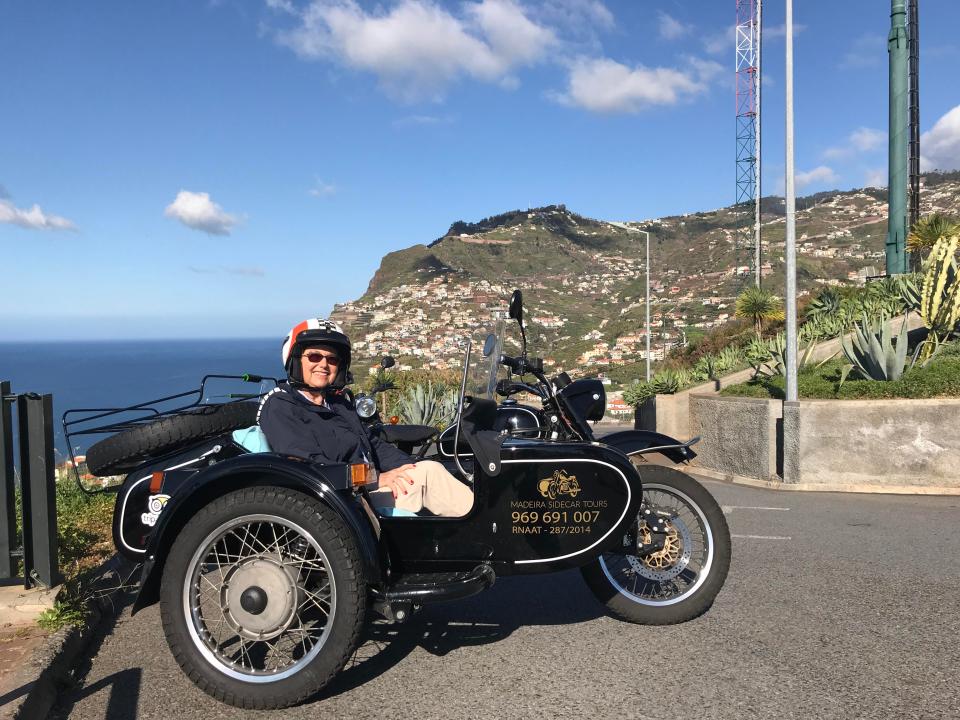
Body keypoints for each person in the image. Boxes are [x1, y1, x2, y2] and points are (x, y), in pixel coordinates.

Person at [257, 318, 473, 517]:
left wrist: (407, 466)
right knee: (430, 476)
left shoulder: (338, 404)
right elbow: (311, 467)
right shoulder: (281, 406)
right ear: (295, 361)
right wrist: (376, 479)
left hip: (363, 492)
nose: (324, 364)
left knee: (426, 470)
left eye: (332, 359)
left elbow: (372, 444)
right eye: (315, 356)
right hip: (339, 504)